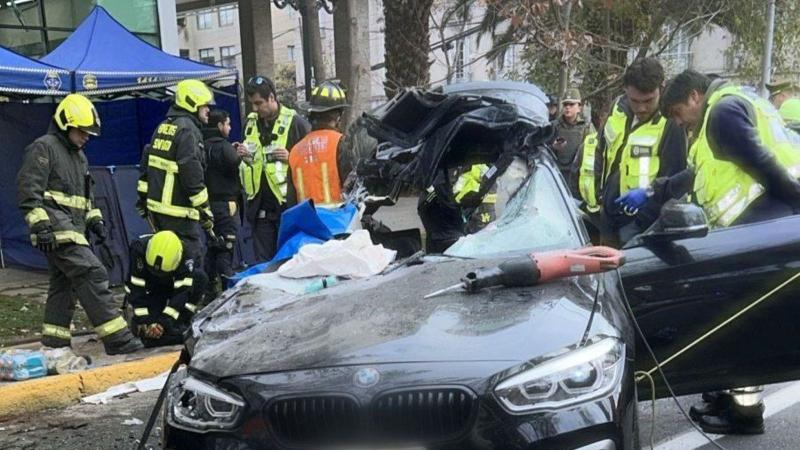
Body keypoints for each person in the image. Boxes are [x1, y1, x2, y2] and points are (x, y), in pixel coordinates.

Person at [660, 69, 800, 434]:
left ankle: (745, 415)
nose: (678, 122)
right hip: (759, 229)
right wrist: (661, 189)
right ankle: (727, 398)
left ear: (693, 96)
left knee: (743, 325)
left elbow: (766, 167)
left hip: (761, 230)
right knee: (734, 320)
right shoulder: (724, 110)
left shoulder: (721, 113)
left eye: (677, 112)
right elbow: (704, 171)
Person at [17, 94, 142, 355]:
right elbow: (29, 192)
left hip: (73, 230)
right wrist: (40, 225)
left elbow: (85, 198)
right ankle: (117, 338)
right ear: (66, 124)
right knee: (92, 273)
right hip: (56, 230)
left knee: (65, 283)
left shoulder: (79, 157)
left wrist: (94, 219)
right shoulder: (44, 148)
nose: (87, 137)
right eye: (82, 131)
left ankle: (55, 341)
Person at [594, 57, 688, 246]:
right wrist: (599, 195)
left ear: (660, 88)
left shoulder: (671, 123)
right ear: (626, 91)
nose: (641, 108)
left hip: (641, 229)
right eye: (635, 101)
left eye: (648, 100)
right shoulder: (617, 109)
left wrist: (638, 226)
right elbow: (602, 152)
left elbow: (674, 182)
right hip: (608, 219)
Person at [137, 79, 216, 266]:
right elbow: (191, 173)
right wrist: (204, 208)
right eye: (205, 106)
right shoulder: (188, 131)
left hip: (158, 213)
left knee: (167, 262)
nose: (208, 111)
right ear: (192, 104)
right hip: (179, 214)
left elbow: (146, 166)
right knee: (190, 263)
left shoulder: (163, 127)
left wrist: (143, 199)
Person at [239, 75, 311, 262]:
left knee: (290, 259)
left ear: (272, 98)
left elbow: (311, 160)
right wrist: (242, 155)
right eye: (252, 104)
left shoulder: (296, 123)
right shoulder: (250, 124)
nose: (255, 108)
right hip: (259, 209)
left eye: (259, 103)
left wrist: (292, 159)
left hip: (287, 207)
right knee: (264, 264)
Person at [126, 231, 208, 347]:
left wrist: (164, 322)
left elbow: (182, 293)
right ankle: (166, 333)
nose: (159, 274)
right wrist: (147, 321)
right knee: (149, 336)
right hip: (151, 290)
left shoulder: (185, 254)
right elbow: (136, 290)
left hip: (171, 285)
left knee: (200, 278)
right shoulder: (138, 249)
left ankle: (182, 323)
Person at [287, 80, 353, 207]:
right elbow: (353, 190)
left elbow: (291, 200)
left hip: (306, 223)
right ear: (338, 116)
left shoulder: (295, 151)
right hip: (338, 222)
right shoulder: (341, 143)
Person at [203, 109, 246, 290]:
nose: (230, 127)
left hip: (207, 206)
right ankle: (229, 289)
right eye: (227, 124)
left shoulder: (200, 145)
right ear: (220, 125)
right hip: (227, 205)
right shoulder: (223, 146)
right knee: (226, 248)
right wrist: (241, 154)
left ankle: (209, 289)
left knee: (213, 247)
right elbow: (232, 162)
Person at [551, 88, 593, 182]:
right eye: (565, 104)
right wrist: (553, 147)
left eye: (571, 104)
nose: (567, 107)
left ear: (579, 108)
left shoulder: (587, 128)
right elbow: (543, 151)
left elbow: (593, 150)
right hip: (557, 175)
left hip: (578, 176)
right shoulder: (554, 126)